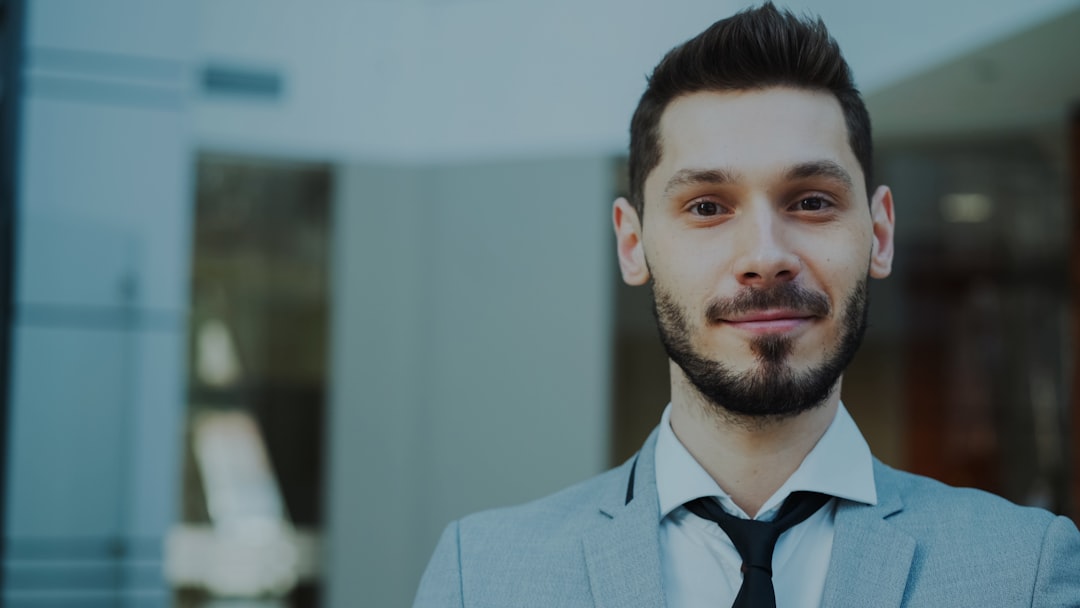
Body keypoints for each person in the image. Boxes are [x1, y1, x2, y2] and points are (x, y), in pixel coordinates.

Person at [413, 4, 1080, 607]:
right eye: (707, 207)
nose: (765, 255)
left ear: (879, 234)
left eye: (811, 201)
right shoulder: (484, 575)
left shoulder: (1024, 570)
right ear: (633, 244)